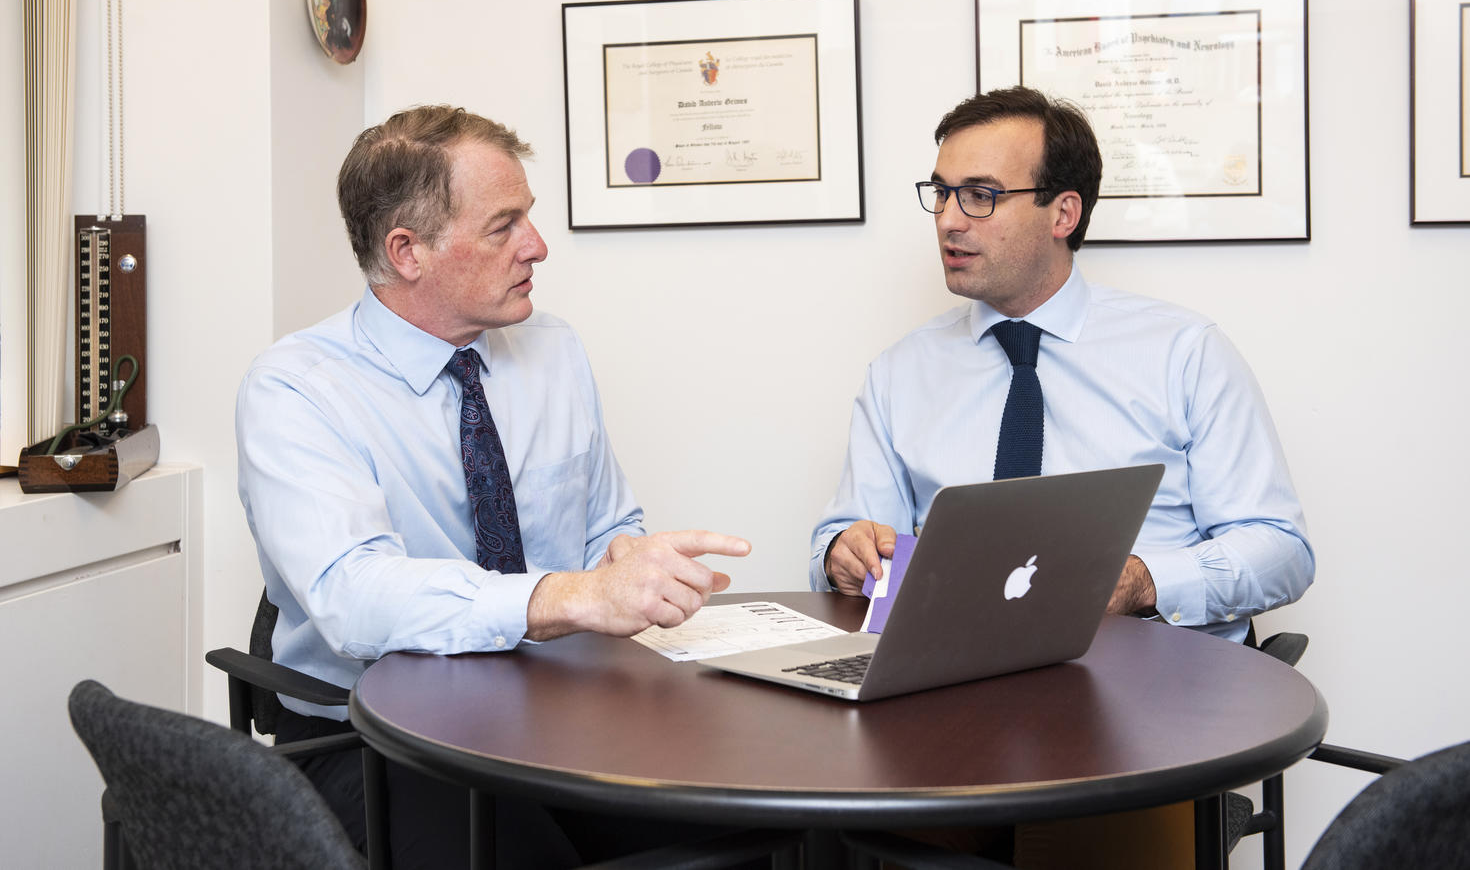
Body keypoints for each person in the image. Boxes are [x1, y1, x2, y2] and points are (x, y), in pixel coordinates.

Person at [809, 86, 1314, 866]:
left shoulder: (1183, 353)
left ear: (1064, 212)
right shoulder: (900, 374)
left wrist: (1145, 580)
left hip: (1141, 709)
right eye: (941, 193)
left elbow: (1281, 548)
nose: (948, 219)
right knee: (839, 832)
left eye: (980, 196)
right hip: (949, 709)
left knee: (1078, 837)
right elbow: (847, 537)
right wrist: (846, 548)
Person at [236, 105, 749, 868]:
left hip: (557, 710)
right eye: (504, 226)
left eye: (528, 220)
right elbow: (353, 597)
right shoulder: (297, 390)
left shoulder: (553, 350)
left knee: (744, 834)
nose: (536, 247)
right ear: (407, 251)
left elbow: (607, 527)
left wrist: (633, 568)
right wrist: (564, 598)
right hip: (373, 735)